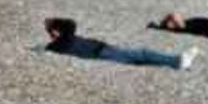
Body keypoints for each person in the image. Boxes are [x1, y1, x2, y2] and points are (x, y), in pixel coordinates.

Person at [44, 18, 198, 70]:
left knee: (138, 61)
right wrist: (53, 22)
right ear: (56, 31)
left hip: (102, 53)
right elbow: (71, 23)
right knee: (142, 54)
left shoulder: (56, 45)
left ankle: (175, 63)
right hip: (102, 52)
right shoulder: (62, 41)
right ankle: (177, 61)